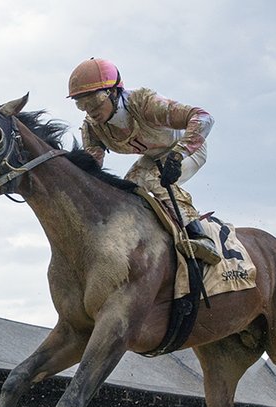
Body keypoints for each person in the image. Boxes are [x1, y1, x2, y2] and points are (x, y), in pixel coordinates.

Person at [67, 57, 221, 265]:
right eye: (81, 105)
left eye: (93, 102)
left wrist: (177, 155)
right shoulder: (92, 127)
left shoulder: (145, 104)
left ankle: (200, 236)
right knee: (126, 192)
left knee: (155, 180)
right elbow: (92, 168)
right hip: (152, 158)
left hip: (189, 149)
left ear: (112, 92)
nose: (90, 111)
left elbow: (203, 117)